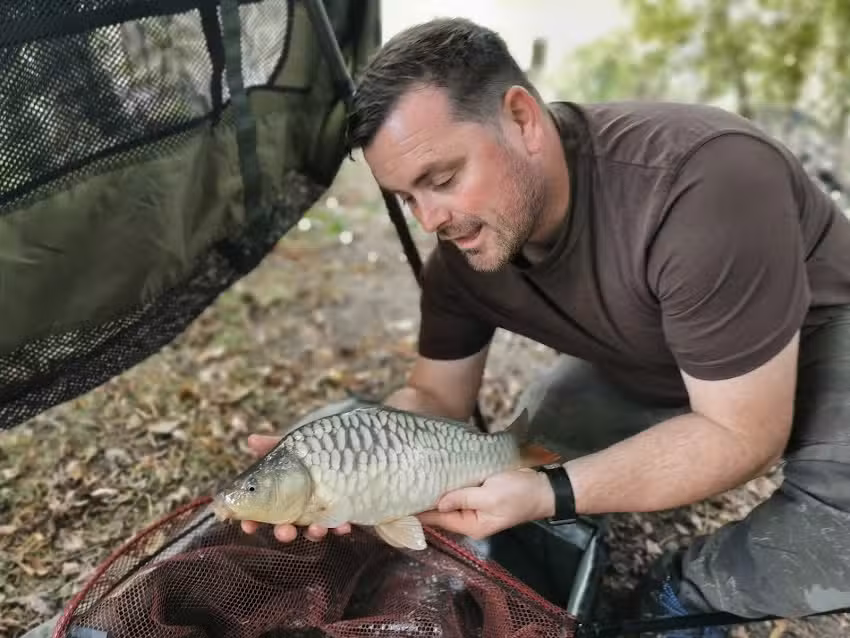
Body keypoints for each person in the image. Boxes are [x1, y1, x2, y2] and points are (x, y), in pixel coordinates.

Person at [241, 17, 850, 638]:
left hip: (821, 339)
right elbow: (433, 399)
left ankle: (683, 593)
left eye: (442, 180)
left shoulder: (702, 181)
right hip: (650, 360)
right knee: (529, 451)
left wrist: (549, 492)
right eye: (406, 198)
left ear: (523, 120)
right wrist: (347, 453)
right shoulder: (461, 259)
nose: (430, 219)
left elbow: (742, 432)